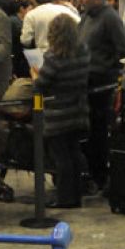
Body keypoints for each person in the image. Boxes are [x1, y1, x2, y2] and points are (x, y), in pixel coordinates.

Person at [79, 0, 125, 193]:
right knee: (87, 131)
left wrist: (108, 68)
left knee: (98, 132)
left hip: (101, 85)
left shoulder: (110, 18)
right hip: (84, 82)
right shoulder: (85, 17)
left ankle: (100, 176)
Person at [32, 14, 91, 208]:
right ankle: (76, 194)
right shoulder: (83, 51)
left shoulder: (52, 57)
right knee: (74, 153)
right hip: (78, 110)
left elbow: (40, 85)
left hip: (57, 114)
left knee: (61, 158)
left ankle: (64, 198)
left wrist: (35, 75)